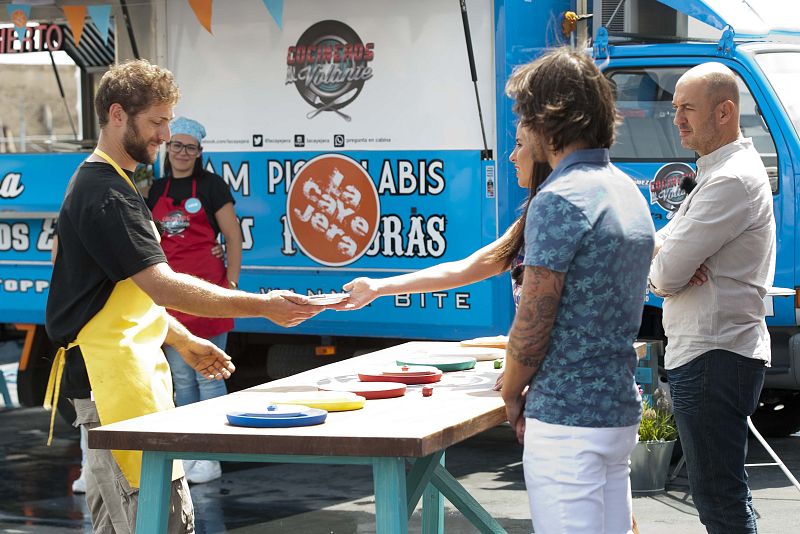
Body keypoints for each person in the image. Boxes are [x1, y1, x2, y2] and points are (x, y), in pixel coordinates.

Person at [44, 59, 323, 534]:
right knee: (159, 521)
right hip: (115, 387)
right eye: (157, 122)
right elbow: (162, 285)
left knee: (125, 523)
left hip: (123, 382)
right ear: (117, 114)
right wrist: (262, 305)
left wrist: (181, 339)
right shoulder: (107, 193)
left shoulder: (110, 184)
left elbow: (121, 297)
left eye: (168, 121)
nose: (165, 135)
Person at [500, 47, 655, 534]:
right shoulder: (627, 190)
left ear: (548, 118)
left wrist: (511, 391)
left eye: (527, 113)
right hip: (616, 411)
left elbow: (533, 323)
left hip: (567, 422)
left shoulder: (559, 199)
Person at [649, 62, 775, 533]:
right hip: (712, 353)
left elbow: (665, 272)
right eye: (675, 108)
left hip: (713, 353)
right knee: (723, 498)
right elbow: (660, 249)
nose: (677, 119)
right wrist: (667, 262)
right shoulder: (718, 172)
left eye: (688, 109)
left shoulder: (728, 180)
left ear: (725, 112)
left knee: (720, 502)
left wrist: (665, 269)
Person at [341, 129, 550, 314]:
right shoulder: (530, 220)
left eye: (520, 144)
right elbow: (463, 270)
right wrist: (377, 287)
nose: (512, 156)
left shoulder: (557, 219)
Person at [146, 116, 240, 484]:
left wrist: (231, 284)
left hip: (209, 292)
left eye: (190, 148)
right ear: (167, 149)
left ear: (199, 152)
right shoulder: (156, 189)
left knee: (210, 377)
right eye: (177, 146)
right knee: (181, 379)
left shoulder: (213, 186)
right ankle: (188, 454)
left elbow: (233, 236)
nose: (183, 153)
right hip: (171, 294)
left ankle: (211, 457)